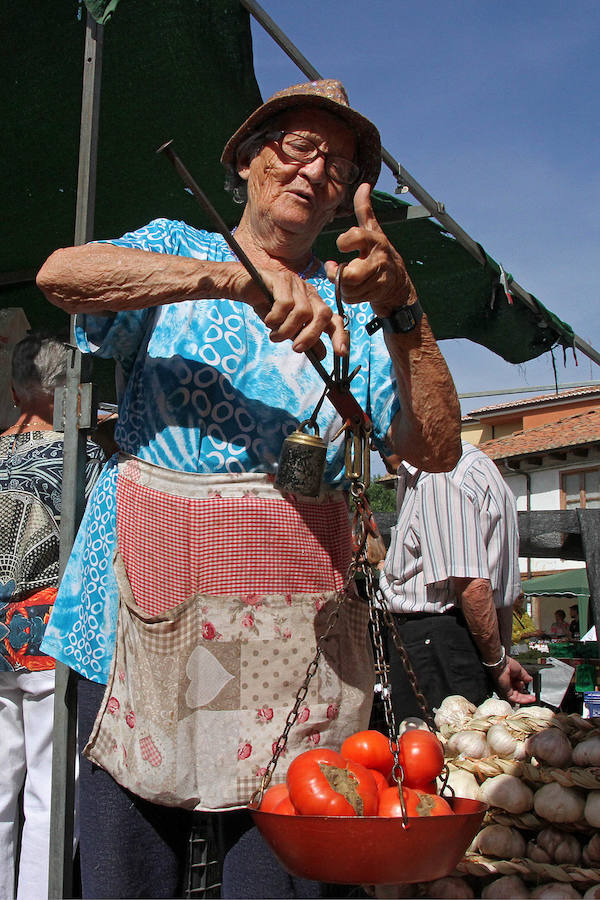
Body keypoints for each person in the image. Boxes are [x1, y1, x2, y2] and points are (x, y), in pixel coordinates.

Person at [36, 79, 461, 898]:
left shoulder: (351, 309)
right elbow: (64, 277)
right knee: (128, 865)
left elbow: (435, 448)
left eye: (338, 165)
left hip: (291, 634)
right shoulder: (173, 247)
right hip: (145, 616)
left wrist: (404, 306)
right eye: (299, 146)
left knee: (285, 869)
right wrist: (233, 280)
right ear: (246, 160)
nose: (316, 172)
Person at [0, 335, 104, 900]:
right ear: (71, 392)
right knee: (49, 793)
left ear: (16, 392)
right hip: (48, 640)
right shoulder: (83, 458)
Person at [378, 442, 535, 723]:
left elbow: (473, 584)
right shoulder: (467, 464)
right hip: (447, 640)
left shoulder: (439, 473)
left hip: (438, 647)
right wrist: (499, 655)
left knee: (434, 746)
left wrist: (496, 662)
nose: (374, 443)